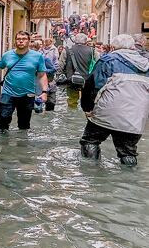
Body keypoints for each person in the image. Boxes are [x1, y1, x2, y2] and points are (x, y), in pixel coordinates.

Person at [80, 34, 149, 166]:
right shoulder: (146, 64)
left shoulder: (107, 60)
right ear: (133, 47)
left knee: (90, 141)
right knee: (128, 152)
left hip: (107, 112)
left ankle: (90, 175)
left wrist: (87, 108)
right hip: (135, 117)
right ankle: (129, 181)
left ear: (113, 47)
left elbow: (93, 86)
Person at [0, 31, 48, 131]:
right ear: (15, 41)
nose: (21, 41)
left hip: (28, 94)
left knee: (24, 124)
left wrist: (44, 92)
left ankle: (21, 145)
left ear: (29, 41)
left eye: (24, 39)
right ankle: (2, 145)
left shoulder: (38, 57)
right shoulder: (7, 55)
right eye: (18, 39)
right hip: (8, 93)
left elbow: (42, 75)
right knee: (3, 120)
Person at [59, 32, 94, 108]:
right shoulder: (92, 51)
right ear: (86, 41)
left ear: (74, 41)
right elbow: (97, 65)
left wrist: (60, 76)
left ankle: (72, 117)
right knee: (87, 103)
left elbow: (60, 65)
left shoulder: (67, 50)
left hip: (71, 80)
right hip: (87, 81)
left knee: (72, 102)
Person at [38, 38, 58, 111]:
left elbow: (54, 67)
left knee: (50, 103)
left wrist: (44, 71)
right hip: (37, 83)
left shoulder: (47, 57)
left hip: (49, 79)